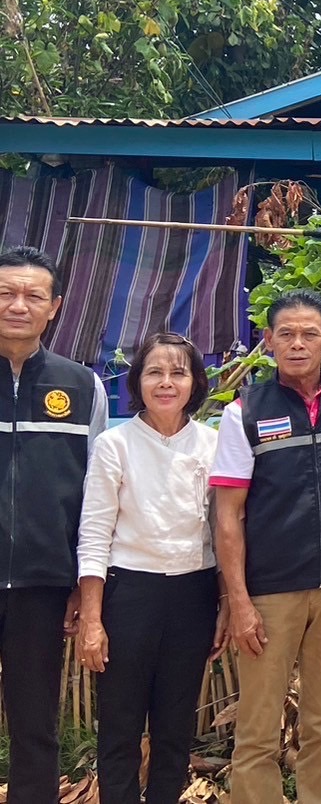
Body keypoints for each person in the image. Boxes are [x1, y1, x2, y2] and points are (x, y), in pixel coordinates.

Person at [210, 290, 321, 804]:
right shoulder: (244, 412)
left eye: (310, 333)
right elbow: (228, 516)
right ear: (267, 342)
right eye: (285, 333)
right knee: (259, 727)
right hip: (270, 592)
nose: (297, 343)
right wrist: (239, 601)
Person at [76, 331, 226, 804]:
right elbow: (95, 533)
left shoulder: (214, 443)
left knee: (175, 723)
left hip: (193, 594)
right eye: (154, 372)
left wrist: (225, 603)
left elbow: (225, 533)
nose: (166, 383)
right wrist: (93, 619)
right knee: (120, 723)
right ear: (137, 381)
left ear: (195, 382)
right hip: (128, 594)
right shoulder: (113, 445)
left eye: (178, 372)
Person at [0, 245, 108, 804]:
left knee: (35, 722)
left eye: (32, 296)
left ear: (55, 306)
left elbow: (96, 495)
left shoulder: (84, 386)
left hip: (44, 584)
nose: (18, 305)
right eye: (6, 293)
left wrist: (81, 584)